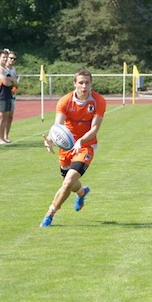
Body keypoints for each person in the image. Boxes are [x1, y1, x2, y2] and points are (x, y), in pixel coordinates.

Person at [40, 68, 106, 228]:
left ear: (91, 84)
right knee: (68, 183)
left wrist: (81, 142)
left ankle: (50, 213)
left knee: (68, 181)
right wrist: (49, 139)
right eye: (81, 83)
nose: (84, 86)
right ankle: (82, 192)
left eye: (87, 83)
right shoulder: (65, 101)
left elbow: (94, 128)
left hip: (86, 146)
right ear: (74, 84)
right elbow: (58, 126)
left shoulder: (98, 101)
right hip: (66, 146)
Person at [0, 49, 16, 144]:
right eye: (3, 57)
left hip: (8, 93)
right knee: (1, 116)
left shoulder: (6, 69)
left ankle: (3, 137)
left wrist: (10, 80)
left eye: (6, 57)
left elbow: (15, 82)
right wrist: (11, 80)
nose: (5, 59)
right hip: (1, 93)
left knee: (6, 115)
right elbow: (6, 82)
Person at [5, 50, 18, 142]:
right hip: (4, 94)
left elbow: (16, 83)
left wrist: (14, 90)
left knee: (10, 116)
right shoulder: (3, 68)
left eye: (14, 59)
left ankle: (6, 135)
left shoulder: (13, 69)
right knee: (4, 115)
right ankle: (2, 136)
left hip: (12, 94)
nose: (12, 60)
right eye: (11, 58)